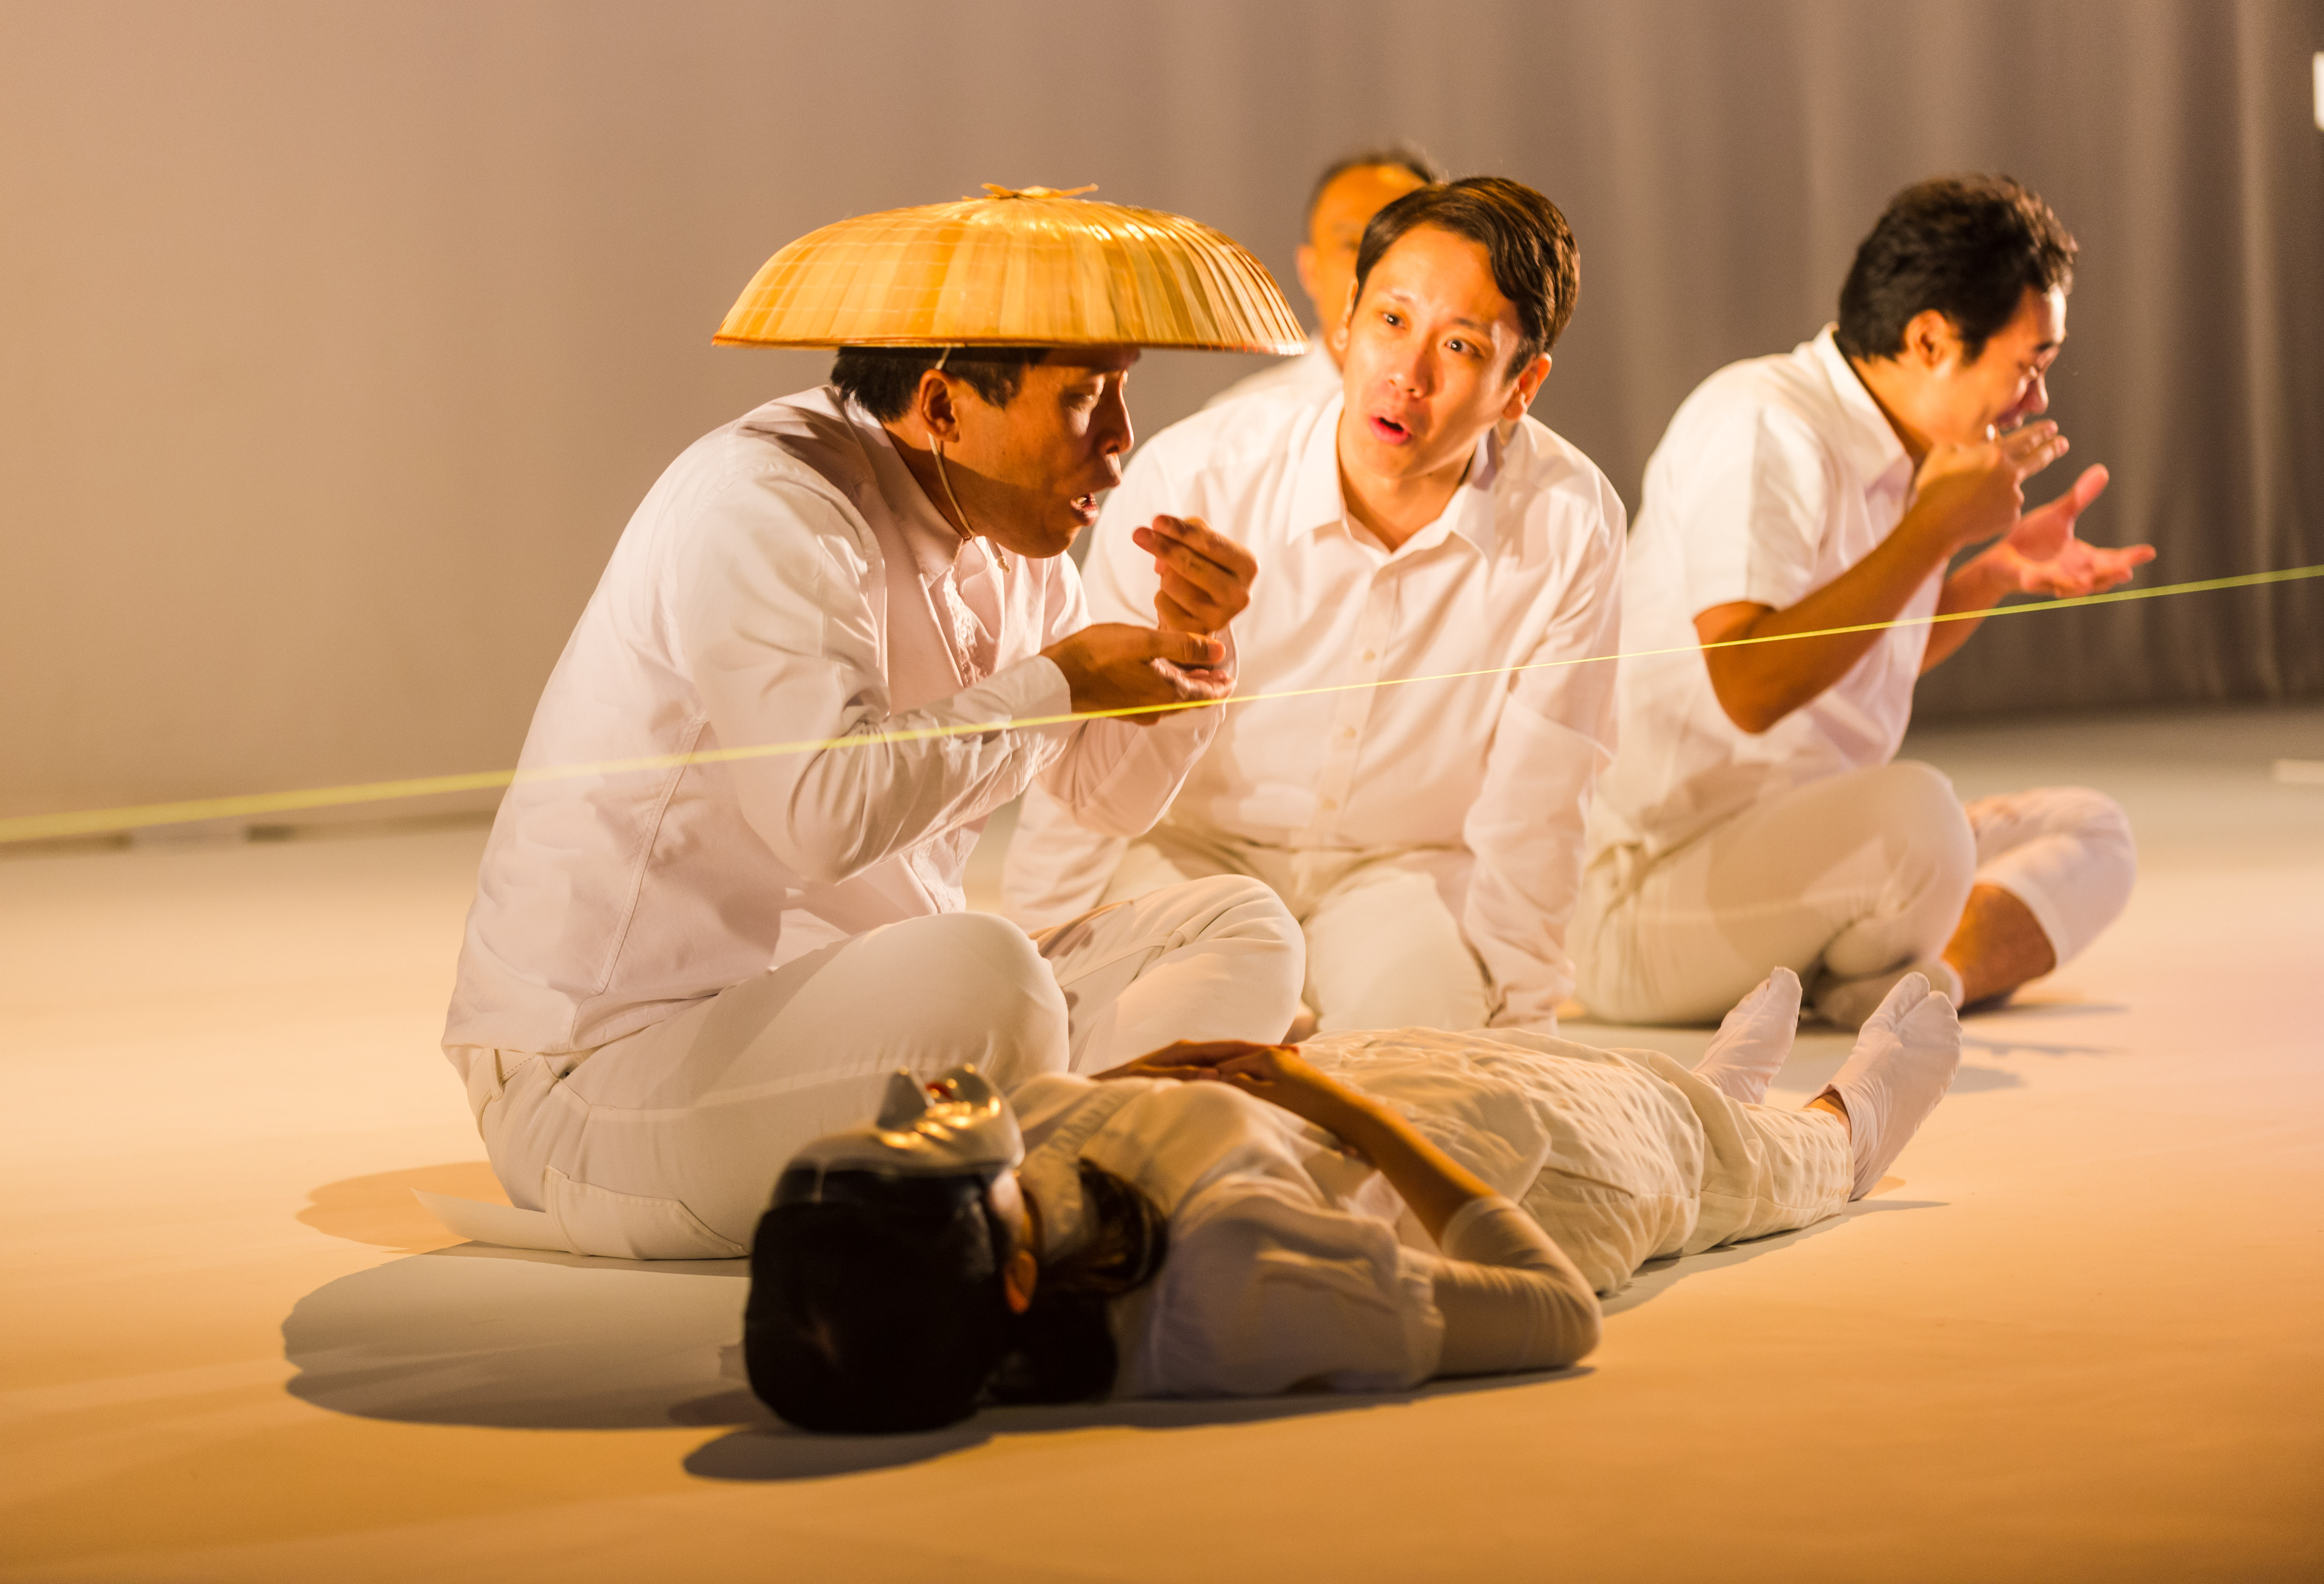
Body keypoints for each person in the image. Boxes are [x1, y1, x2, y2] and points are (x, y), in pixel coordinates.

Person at [436, 189, 1313, 1262]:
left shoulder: (1007, 529)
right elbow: (821, 816)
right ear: (943, 407)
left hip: (860, 1026)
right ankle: (1100, 1142)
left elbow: (1100, 795)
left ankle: (1060, 1135)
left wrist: (1186, 655)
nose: (1122, 447)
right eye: (1086, 397)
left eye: (1125, 391)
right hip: (608, 1068)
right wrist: (1061, 678)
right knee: (986, 982)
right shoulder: (765, 504)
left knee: (1242, 923)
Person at [743, 964, 1964, 1430]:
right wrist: (1335, 1113)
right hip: (1522, 1174)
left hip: (1366, 1098)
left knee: (1628, 1082)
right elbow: (1549, 1310)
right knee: (1696, 1150)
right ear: (1015, 1279)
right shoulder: (1228, 1292)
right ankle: (1829, 1133)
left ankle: (1713, 1090)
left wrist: (1193, 1080)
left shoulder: (951, 1248)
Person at [1003, 178, 1625, 1038]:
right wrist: (1031, 951)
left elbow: (1541, 801)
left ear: (1520, 387)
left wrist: (1516, 1033)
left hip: (1397, 874)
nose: (1406, 376)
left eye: (1461, 348)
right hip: (1189, 852)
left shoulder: (1569, 520)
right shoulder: (1198, 478)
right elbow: (1084, 761)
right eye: (1391, 321)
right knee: (1186, 1046)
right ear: (1343, 325)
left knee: (1430, 1069)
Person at [1574, 176, 2154, 1029]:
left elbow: (1867, 658)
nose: (2036, 400)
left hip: (1795, 852)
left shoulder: (1907, 449)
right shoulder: (1764, 423)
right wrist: (1930, 530)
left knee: (2095, 832)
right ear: (1928, 339)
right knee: (1919, 820)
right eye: (2028, 366)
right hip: (1647, 896)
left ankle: (1917, 985)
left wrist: (1988, 574)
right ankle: (1887, 973)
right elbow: (1750, 682)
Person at [1202, 145, 1442, 411]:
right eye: (1351, 245)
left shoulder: (1475, 421)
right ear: (1310, 271)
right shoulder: (1237, 425)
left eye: (1400, 244)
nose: (1375, 266)